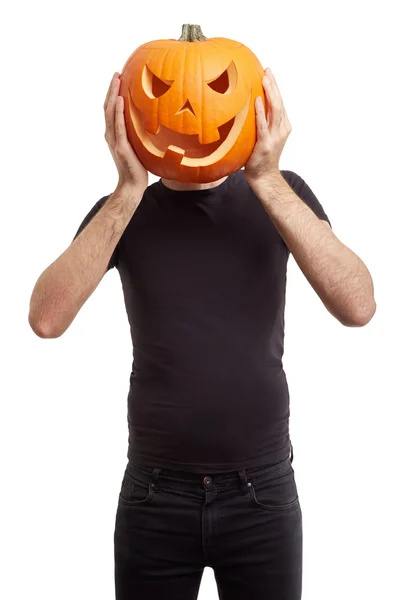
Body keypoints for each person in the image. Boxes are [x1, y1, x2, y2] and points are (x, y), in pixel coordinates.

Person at [28, 68, 376, 600]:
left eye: (216, 88)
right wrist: (127, 190)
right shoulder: (122, 213)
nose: (187, 114)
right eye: (163, 95)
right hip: (153, 494)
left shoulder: (285, 194)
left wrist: (266, 178)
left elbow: (358, 306)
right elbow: (46, 319)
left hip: (262, 491)